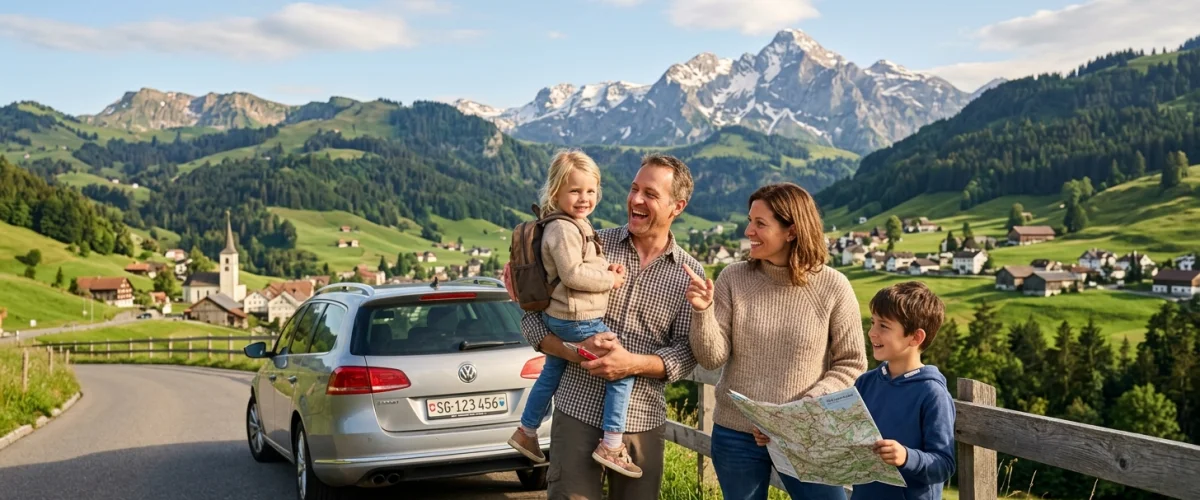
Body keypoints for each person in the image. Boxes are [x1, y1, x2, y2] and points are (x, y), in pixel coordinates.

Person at [504, 153, 702, 499]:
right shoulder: (589, 242)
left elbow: (687, 353)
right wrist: (573, 352)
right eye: (633, 188)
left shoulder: (688, 273)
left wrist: (632, 364)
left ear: (678, 206)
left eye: (651, 194)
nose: (636, 200)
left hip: (642, 421)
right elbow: (533, 320)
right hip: (575, 411)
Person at [685, 182, 866, 500]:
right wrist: (702, 313)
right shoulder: (733, 278)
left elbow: (851, 362)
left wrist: (810, 403)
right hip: (736, 433)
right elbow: (712, 358)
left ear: (791, 231)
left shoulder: (833, 287)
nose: (748, 230)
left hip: (805, 432)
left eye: (760, 223)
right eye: (749, 220)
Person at [507, 150, 640, 478]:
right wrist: (612, 279)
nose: (585, 198)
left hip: (563, 316)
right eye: (575, 191)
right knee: (622, 370)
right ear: (555, 192)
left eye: (591, 191)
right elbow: (572, 275)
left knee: (551, 371)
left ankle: (526, 431)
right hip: (578, 319)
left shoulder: (573, 224)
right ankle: (611, 444)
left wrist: (604, 266)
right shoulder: (563, 229)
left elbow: (578, 265)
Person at [851, 281, 956, 500]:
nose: (872, 333)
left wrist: (907, 457)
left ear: (915, 337)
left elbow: (944, 465)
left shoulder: (932, 393)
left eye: (884, 326)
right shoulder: (864, 383)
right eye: (873, 323)